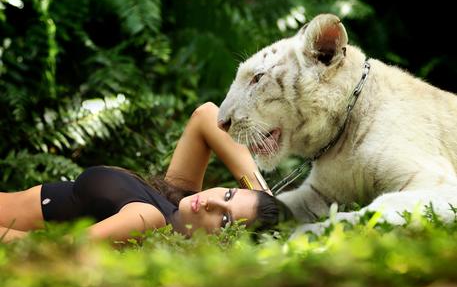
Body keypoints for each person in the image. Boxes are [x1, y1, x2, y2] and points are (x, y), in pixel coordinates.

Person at [0, 102, 286, 243]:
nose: (211, 202)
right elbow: (208, 115)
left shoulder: (150, 220)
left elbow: (54, 249)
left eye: (224, 219)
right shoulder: (177, 201)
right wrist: (261, 193)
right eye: (228, 193)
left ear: (224, 243)